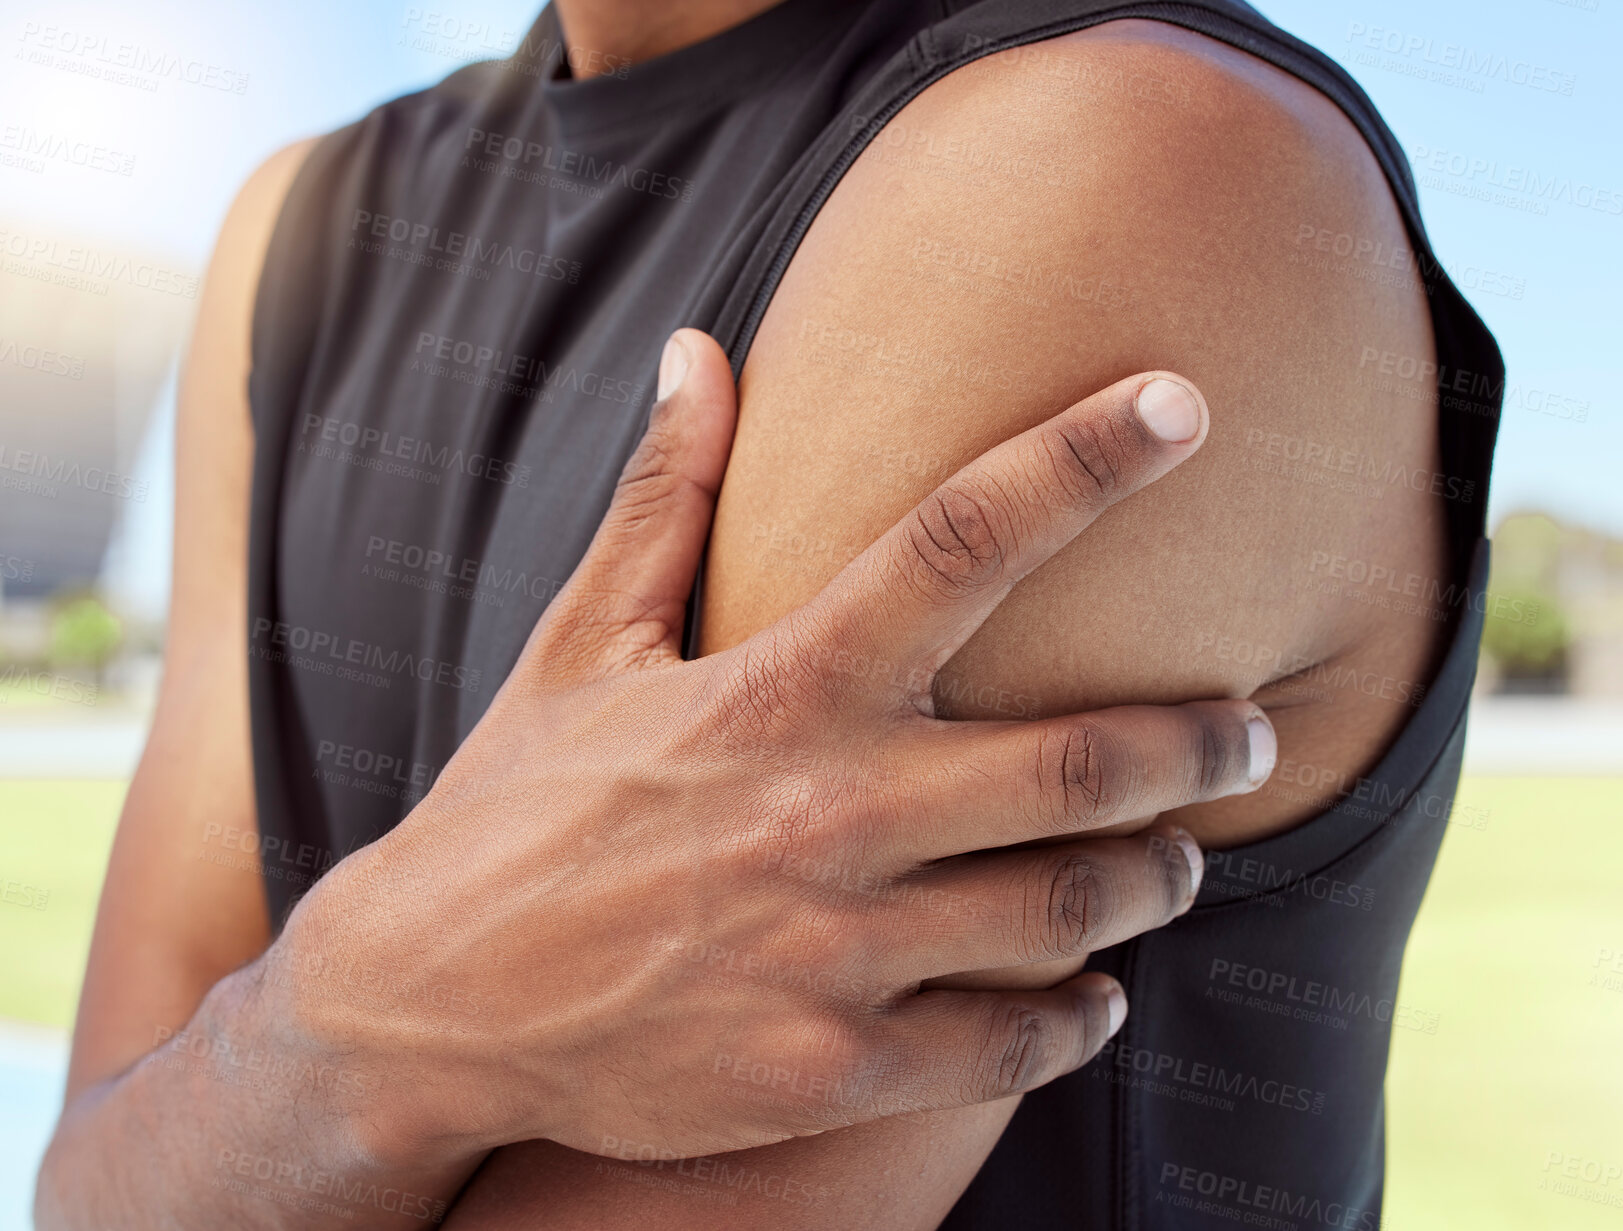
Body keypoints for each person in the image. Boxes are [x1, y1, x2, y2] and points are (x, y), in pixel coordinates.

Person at [35, 1, 1503, 1227]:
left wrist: (281, 1094)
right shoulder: (306, 227)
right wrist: (341, 1031)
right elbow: (87, 1191)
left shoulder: (1106, 162)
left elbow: (145, 1171)